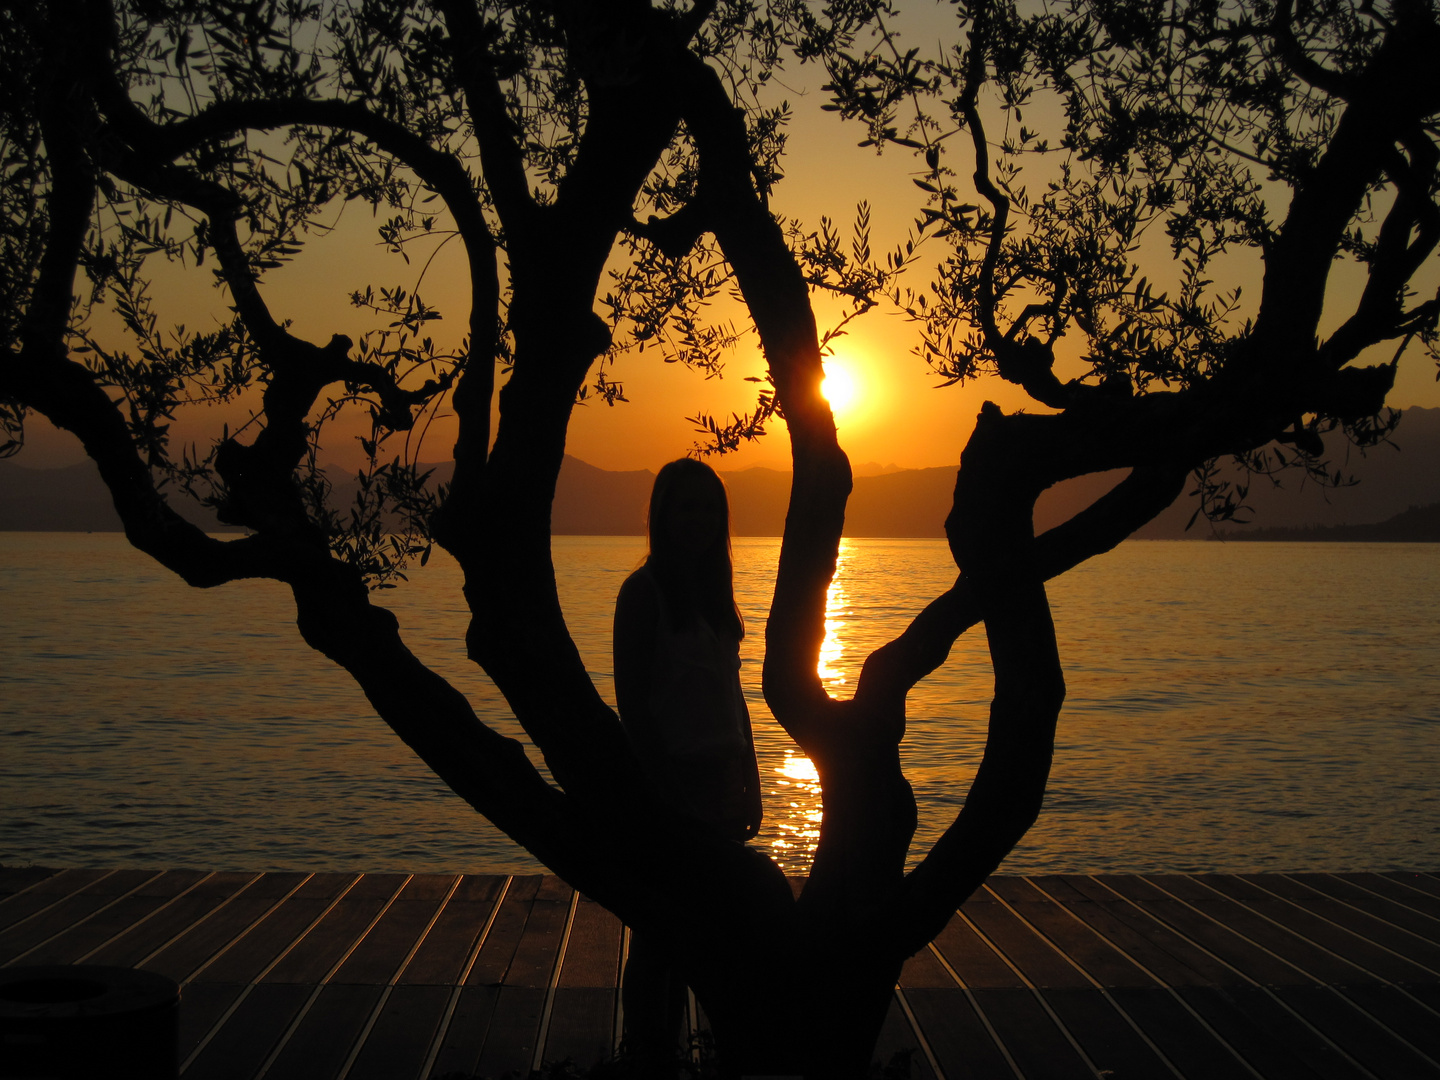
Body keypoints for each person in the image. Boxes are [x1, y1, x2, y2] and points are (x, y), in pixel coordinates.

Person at [613, 457, 763, 1070]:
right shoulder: (643, 594)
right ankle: (649, 1055)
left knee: (718, 926)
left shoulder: (715, 596)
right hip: (672, 783)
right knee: (663, 934)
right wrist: (665, 795)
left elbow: (732, 697)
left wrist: (751, 781)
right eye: (686, 507)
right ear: (662, 515)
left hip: (723, 781)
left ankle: (722, 1051)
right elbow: (634, 707)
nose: (698, 520)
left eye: (709, 509)